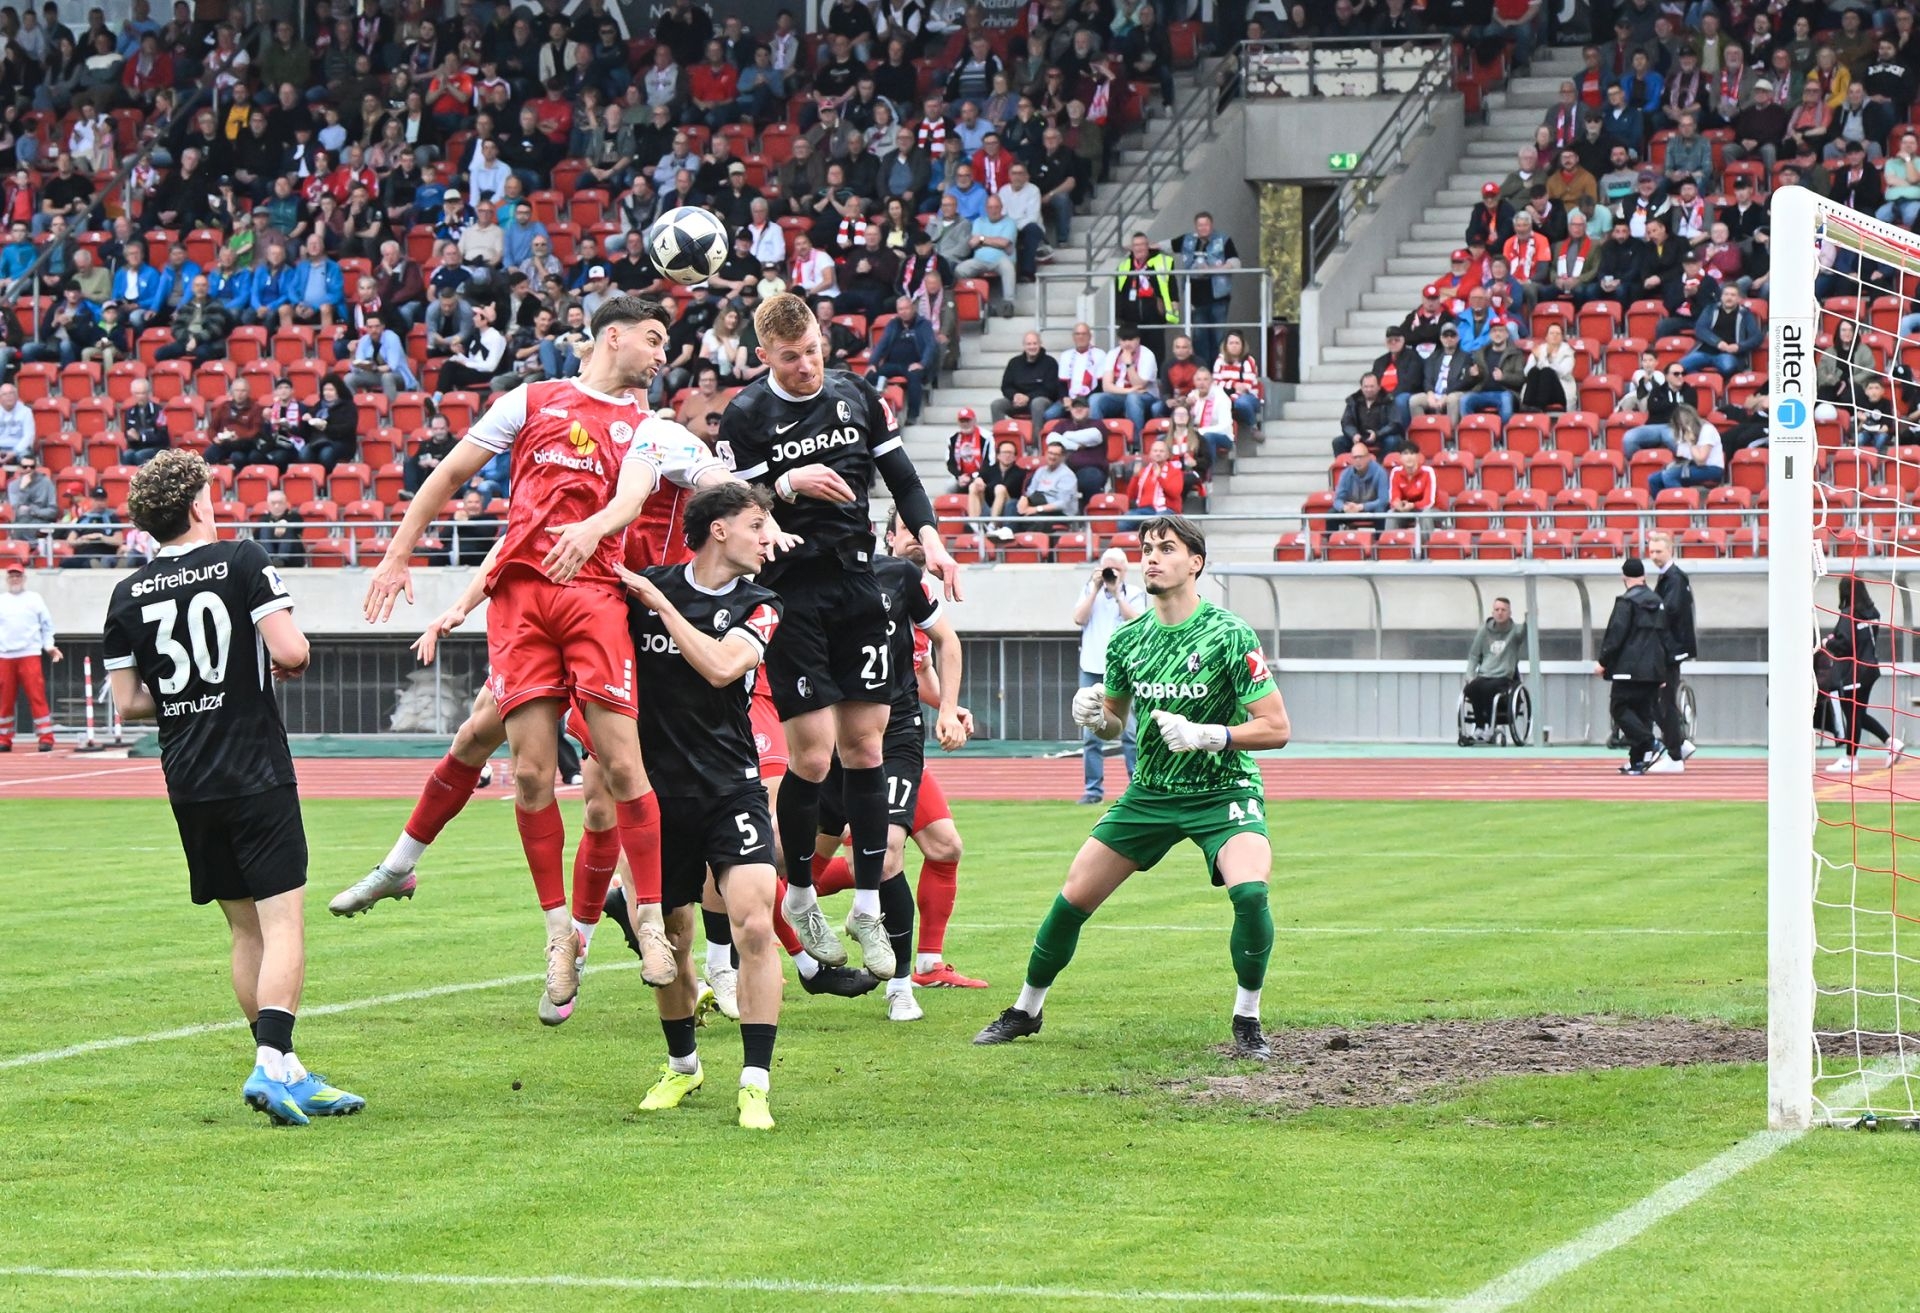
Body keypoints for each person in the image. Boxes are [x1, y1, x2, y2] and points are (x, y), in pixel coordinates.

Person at [360, 295, 731, 1004]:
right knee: (526, 771)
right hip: (524, 605)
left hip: (610, 605)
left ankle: (652, 924)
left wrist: (776, 495)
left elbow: (701, 491)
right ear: (611, 335)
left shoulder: (653, 431)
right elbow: (458, 484)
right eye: (655, 340)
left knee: (618, 777)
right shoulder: (529, 401)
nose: (664, 356)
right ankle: (560, 934)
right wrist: (403, 558)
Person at [102, 451, 364, 1125]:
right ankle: (271, 1063)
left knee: (245, 929)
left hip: (188, 777)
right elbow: (291, 651)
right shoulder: (242, 559)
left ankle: (287, 1069)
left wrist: (190, 693)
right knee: (283, 923)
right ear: (197, 505)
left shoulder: (125, 594)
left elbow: (129, 702)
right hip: (254, 767)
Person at [976, 516, 1290, 1059]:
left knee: (1250, 892)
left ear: (1195, 563)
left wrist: (1210, 735)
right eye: (1147, 548)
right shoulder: (1127, 639)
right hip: (1151, 793)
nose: (1151, 557)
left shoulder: (1229, 634)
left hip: (1223, 789)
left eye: (1166, 548)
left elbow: (1277, 727)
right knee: (1073, 897)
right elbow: (1115, 722)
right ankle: (1026, 1009)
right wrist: (1095, 717)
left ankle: (1247, 1020)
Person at [716, 291, 960, 976]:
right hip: (793, 592)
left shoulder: (856, 394)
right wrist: (787, 483)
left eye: (813, 352)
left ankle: (868, 906)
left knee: (864, 747)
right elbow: (731, 505)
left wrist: (934, 541)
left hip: (859, 584)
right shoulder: (746, 415)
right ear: (764, 355)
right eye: (790, 358)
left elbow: (902, 477)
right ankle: (799, 895)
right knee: (814, 758)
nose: (806, 367)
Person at [616, 482, 789, 1129]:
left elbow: (721, 666)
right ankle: (683, 1065)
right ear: (719, 529)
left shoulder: (760, 603)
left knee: (754, 925)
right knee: (671, 938)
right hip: (658, 798)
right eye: (756, 525)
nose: (767, 539)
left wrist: (661, 605)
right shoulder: (647, 590)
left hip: (731, 789)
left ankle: (755, 1082)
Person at [804, 514, 968, 1021]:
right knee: (791, 863)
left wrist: (948, 709)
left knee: (906, 851)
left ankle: (903, 980)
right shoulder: (807, 583)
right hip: (831, 736)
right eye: (910, 532)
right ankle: (766, 935)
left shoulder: (903, 581)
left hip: (894, 737)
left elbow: (937, 652)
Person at [1071, 546, 1143, 804]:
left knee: (1130, 732)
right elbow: (1078, 618)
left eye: (1116, 568)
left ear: (1125, 570)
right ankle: (1093, 790)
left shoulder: (1134, 593)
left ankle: (1137, 787)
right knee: (1091, 734)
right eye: (1107, 568)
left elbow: (1137, 621)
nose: (1111, 573)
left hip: (1122, 671)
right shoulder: (1090, 591)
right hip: (1091, 668)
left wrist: (1117, 593)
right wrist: (1094, 589)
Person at [1595, 556, 1673, 776]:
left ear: (1624, 577)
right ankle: (1637, 761)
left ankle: (1650, 743)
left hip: (1628, 668)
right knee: (1643, 714)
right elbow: (1666, 637)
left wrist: (1603, 661)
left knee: (1619, 709)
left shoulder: (1626, 602)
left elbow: (1616, 635)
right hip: (1653, 669)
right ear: (1644, 576)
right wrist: (1663, 670)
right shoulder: (1658, 602)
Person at [1823, 576, 1904, 774]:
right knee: (1858, 714)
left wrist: (1828, 642)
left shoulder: (1849, 613)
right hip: (1870, 669)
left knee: (1852, 715)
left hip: (1854, 672)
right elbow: (1860, 639)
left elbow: (1845, 645)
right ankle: (1891, 742)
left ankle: (1851, 759)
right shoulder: (1872, 613)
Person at [1644, 531, 1698, 773]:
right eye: (1652, 551)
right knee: (1659, 701)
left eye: (1659, 551)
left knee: (1664, 702)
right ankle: (1680, 744)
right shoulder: (1669, 577)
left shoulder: (1674, 578)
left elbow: (1669, 611)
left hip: (1670, 649)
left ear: (1670, 550)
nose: (1654, 556)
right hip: (1668, 648)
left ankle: (1675, 755)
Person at [0, 561, 59, 750]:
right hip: (5, 655)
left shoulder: (34, 599)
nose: (15, 579)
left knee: (36, 695)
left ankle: (46, 737)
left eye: (18, 576)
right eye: (12, 576)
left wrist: (49, 646)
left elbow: (47, 625)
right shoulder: (2, 600)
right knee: (4, 699)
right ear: (7, 579)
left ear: (24, 578)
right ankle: (3, 738)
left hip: (29, 653)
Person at [1462, 597, 1527, 743]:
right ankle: (1480, 726)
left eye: (1503, 610)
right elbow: (1474, 655)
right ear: (1492, 612)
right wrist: (1470, 675)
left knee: (1488, 689)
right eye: (1497, 609)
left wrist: (1529, 618)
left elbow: (1524, 632)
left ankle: (1490, 728)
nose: (1500, 613)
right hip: (1485, 673)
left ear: (1509, 613)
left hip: (1504, 675)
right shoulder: (1484, 631)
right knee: (1471, 688)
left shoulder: (1515, 631)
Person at [1646, 404, 1725, 494]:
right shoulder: (1682, 432)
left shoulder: (1707, 429)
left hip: (1712, 469)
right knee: (1654, 479)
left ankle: (1681, 499)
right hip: (1690, 466)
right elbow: (1681, 456)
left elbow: (1701, 461)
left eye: (1686, 422)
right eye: (1680, 423)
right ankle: (1663, 502)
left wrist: (1691, 442)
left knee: (1669, 476)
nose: (1683, 425)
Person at [967, 437, 1027, 539]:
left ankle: (992, 525)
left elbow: (1008, 486)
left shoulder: (1020, 472)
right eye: (1004, 452)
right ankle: (974, 524)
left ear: (1015, 456)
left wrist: (985, 486)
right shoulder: (988, 469)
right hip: (988, 507)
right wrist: (978, 480)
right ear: (998, 455)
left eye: (1010, 453)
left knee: (1000, 488)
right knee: (973, 486)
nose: (1007, 455)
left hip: (1007, 509)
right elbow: (979, 480)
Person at [1327, 441, 1390, 533]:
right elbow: (1337, 499)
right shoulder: (1345, 473)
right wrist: (1344, 507)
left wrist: (1362, 507)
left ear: (1368, 457)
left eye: (1361, 457)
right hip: (1352, 510)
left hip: (1371, 510)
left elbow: (1383, 500)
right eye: (1355, 457)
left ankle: (1380, 540)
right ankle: (1330, 541)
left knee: (1381, 511)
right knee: (1331, 514)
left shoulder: (1380, 472)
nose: (1358, 460)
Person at [1019, 439, 1080, 527]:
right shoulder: (1040, 471)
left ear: (1062, 457)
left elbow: (1063, 504)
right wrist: (1024, 500)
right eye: (1050, 453)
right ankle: (1007, 533)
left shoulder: (1067, 475)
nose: (1052, 457)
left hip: (1061, 514)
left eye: (1056, 454)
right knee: (1013, 505)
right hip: (1039, 507)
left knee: (1035, 519)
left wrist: (1036, 509)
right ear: (1045, 454)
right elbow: (1031, 491)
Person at [1387, 446, 1435, 531]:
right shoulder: (1395, 472)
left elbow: (1429, 501)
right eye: (1405, 454)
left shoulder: (1428, 471)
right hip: (1406, 509)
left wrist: (1413, 505)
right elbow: (1394, 497)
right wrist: (1398, 504)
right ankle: (1390, 539)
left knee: (1426, 514)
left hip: (1430, 509)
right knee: (1391, 513)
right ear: (1400, 457)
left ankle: (1427, 540)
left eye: (1412, 453)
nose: (1409, 457)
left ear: (1418, 456)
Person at [256, 488, 305, 566]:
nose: (277, 506)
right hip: (268, 559)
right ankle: (270, 559)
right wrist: (272, 527)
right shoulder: (263, 518)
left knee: (288, 527)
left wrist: (285, 523)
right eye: (273, 503)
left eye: (280, 503)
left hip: (292, 557)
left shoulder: (295, 516)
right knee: (265, 528)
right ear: (268, 505)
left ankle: (281, 560)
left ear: (285, 504)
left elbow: (299, 529)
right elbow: (256, 536)